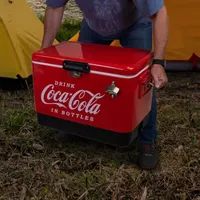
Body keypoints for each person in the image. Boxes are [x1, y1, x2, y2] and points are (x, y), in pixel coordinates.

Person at [41, 0, 169, 170]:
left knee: (143, 83)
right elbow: (55, 7)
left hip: (135, 25)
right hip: (93, 26)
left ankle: (147, 140)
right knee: (82, 76)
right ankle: (77, 127)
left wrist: (158, 62)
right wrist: (44, 52)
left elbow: (159, 12)